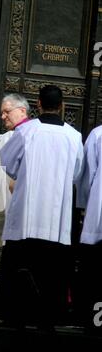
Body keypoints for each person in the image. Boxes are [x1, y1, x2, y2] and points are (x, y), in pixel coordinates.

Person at [0, 85, 84, 329]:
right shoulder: (74, 136)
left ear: (39, 104)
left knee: (20, 267)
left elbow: (9, 164)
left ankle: (15, 316)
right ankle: (48, 319)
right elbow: (77, 173)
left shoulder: (26, 131)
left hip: (26, 218)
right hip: (56, 220)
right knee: (52, 273)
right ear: (62, 105)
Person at [0, 93, 30, 247]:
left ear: (22, 111)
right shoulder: (13, 135)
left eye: (7, 112)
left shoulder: (24, 135)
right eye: (2, 113)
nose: (3, 117)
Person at [76, 124, 102, 328]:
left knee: (96, 276)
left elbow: (87, 176)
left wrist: (84, 207)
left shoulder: (98, 134)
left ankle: (94, 322)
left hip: (99, 218)